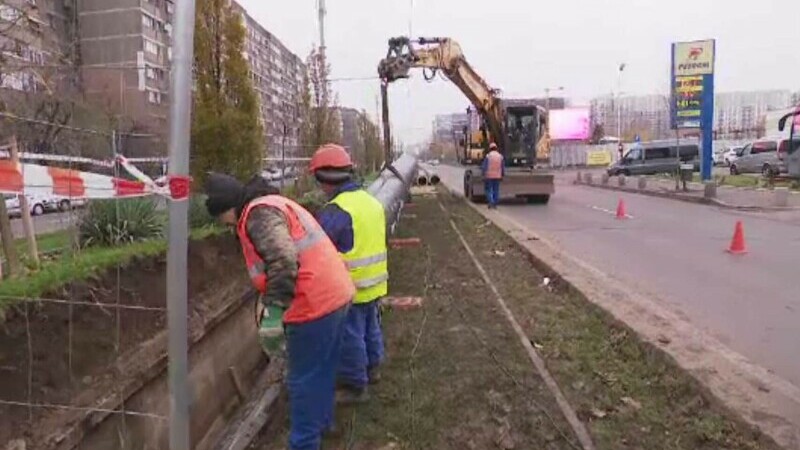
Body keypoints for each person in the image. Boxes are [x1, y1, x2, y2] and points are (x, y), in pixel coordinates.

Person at [204, 173, 354, 450]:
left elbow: (283, 260)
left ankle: (304, 444)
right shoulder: (272, 203)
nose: (223, 224)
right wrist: (267, 297)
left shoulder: (256, 215)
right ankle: (324, 424)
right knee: (321, 368)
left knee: (302, 379)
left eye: (220, 218)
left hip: (314, 303)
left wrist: (273, 313)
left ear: (225, 209)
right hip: (335, 294)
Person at [309, 144, 388, 404]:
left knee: (349, 336)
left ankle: (356, 386)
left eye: (320, 181)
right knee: (370, 327)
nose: (320, 187)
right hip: (375, 283)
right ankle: (373, 368)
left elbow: (318, 248)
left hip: (350, 286)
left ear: (327, 178)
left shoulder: (336, 210)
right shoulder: (371, 202)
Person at [481, 142, 505, 209]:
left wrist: (483, 174)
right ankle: (495, 203)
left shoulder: (488, 156)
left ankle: (490, 202)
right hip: (497, 176)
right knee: (496, 190)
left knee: (488, 190)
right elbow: (502, 167)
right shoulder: (500, 156)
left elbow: (484, 166)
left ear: (490, 149)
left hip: (489, 176)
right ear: (496, 148)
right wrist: (502, 174)